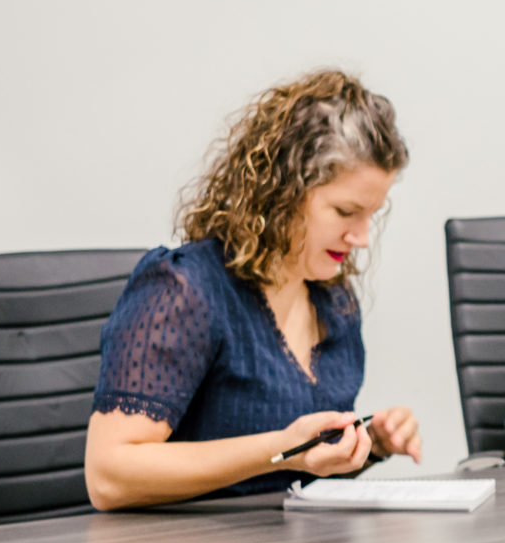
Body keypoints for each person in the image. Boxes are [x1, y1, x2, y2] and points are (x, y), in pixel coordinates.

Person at [84, 69, 424, 510]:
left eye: (371, 216)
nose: (361, 237)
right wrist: (281, 446)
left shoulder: (333, 301)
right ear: (284, 191)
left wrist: (369, 444)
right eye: (345, 211)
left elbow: (296, 469)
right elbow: (108, 476)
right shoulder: (185, 288)